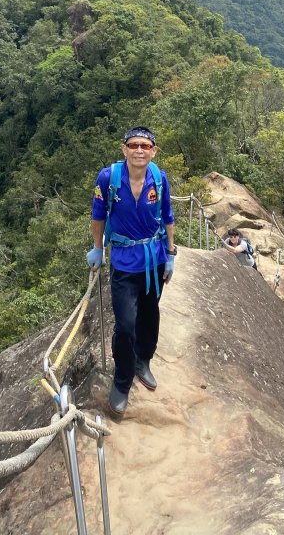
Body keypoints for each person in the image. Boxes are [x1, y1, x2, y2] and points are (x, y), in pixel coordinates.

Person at [86, 127, 175, 418]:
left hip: (154, 259)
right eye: (134, 145)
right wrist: (98, 248)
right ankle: (122, 381)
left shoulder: (159, 179)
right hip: (124, 262)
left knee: (151, 314)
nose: (139, 150)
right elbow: (98, 215)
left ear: (153, 151)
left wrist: (171, 253)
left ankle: (143, 361)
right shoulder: (108, 178)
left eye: (145, 146)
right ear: (124, 149)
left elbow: (168, 216)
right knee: (125, 325)